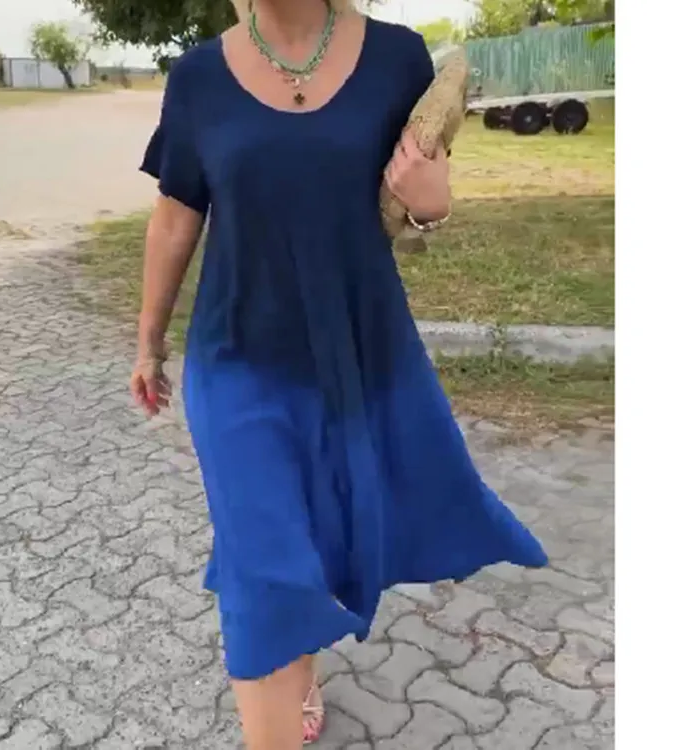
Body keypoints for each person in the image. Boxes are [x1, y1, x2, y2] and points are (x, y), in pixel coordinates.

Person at [130, 1, 548, 748]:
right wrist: (148, 341)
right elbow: (175, 214)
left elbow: (421, 199)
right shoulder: (198, 78)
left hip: (359, 350)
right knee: (265, 568)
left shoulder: (396, 58)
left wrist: (430, 206)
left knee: (317, 532)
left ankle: (301, 663)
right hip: (237, 360)